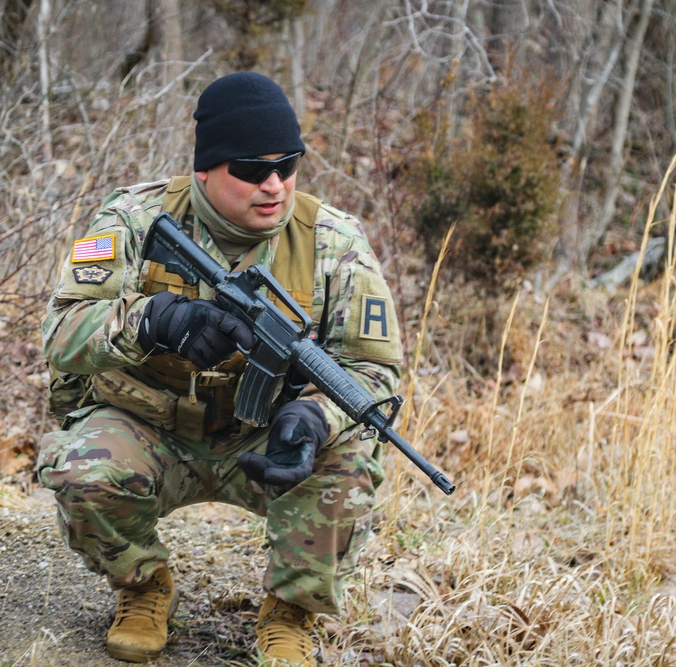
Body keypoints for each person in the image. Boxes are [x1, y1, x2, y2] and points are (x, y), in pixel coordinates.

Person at [36, 71, 403, 666]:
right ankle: (143, 586)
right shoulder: (133, 219)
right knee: (86, 470)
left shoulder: (334, 242)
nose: (275, 185)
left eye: (288, 166)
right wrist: (156, 320)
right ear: (205, 167)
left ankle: (290, 612)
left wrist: (315, 415)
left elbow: (374, 370)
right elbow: (60, 333)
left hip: (265, 438)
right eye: (252, 170)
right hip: (152, 426)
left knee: (350, 460)